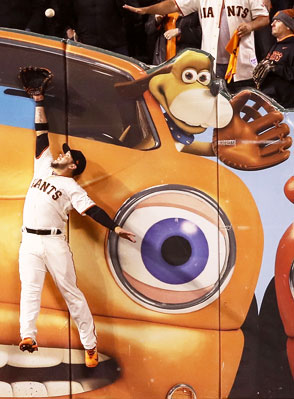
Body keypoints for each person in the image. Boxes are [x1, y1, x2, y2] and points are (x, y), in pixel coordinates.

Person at [17, 68, 136, 368]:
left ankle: (90, 344)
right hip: (29, 239)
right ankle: (28, 335)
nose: (62, 154)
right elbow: (41, 132)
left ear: (73, 166)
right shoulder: (43, 166)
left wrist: (116, 226)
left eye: (67, 155)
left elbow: (92, 210)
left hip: (55, 244)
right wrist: (39, 100)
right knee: (29, 289)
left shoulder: (71, 186)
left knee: (71, 293)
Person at [124, 0, 269, 92]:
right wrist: (146, 10)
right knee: (215, 111)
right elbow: (173, 5)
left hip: (241, 65)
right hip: (211, 66)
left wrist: (250, 26)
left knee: (241, 109)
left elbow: (264, 18)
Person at [253, 9, 294, 107]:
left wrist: (275, 67)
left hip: (285, 107)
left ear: (288, 26)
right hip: (268, 101)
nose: (272, 24)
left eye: (278, 21)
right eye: (273, 20)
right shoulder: (275, 46)